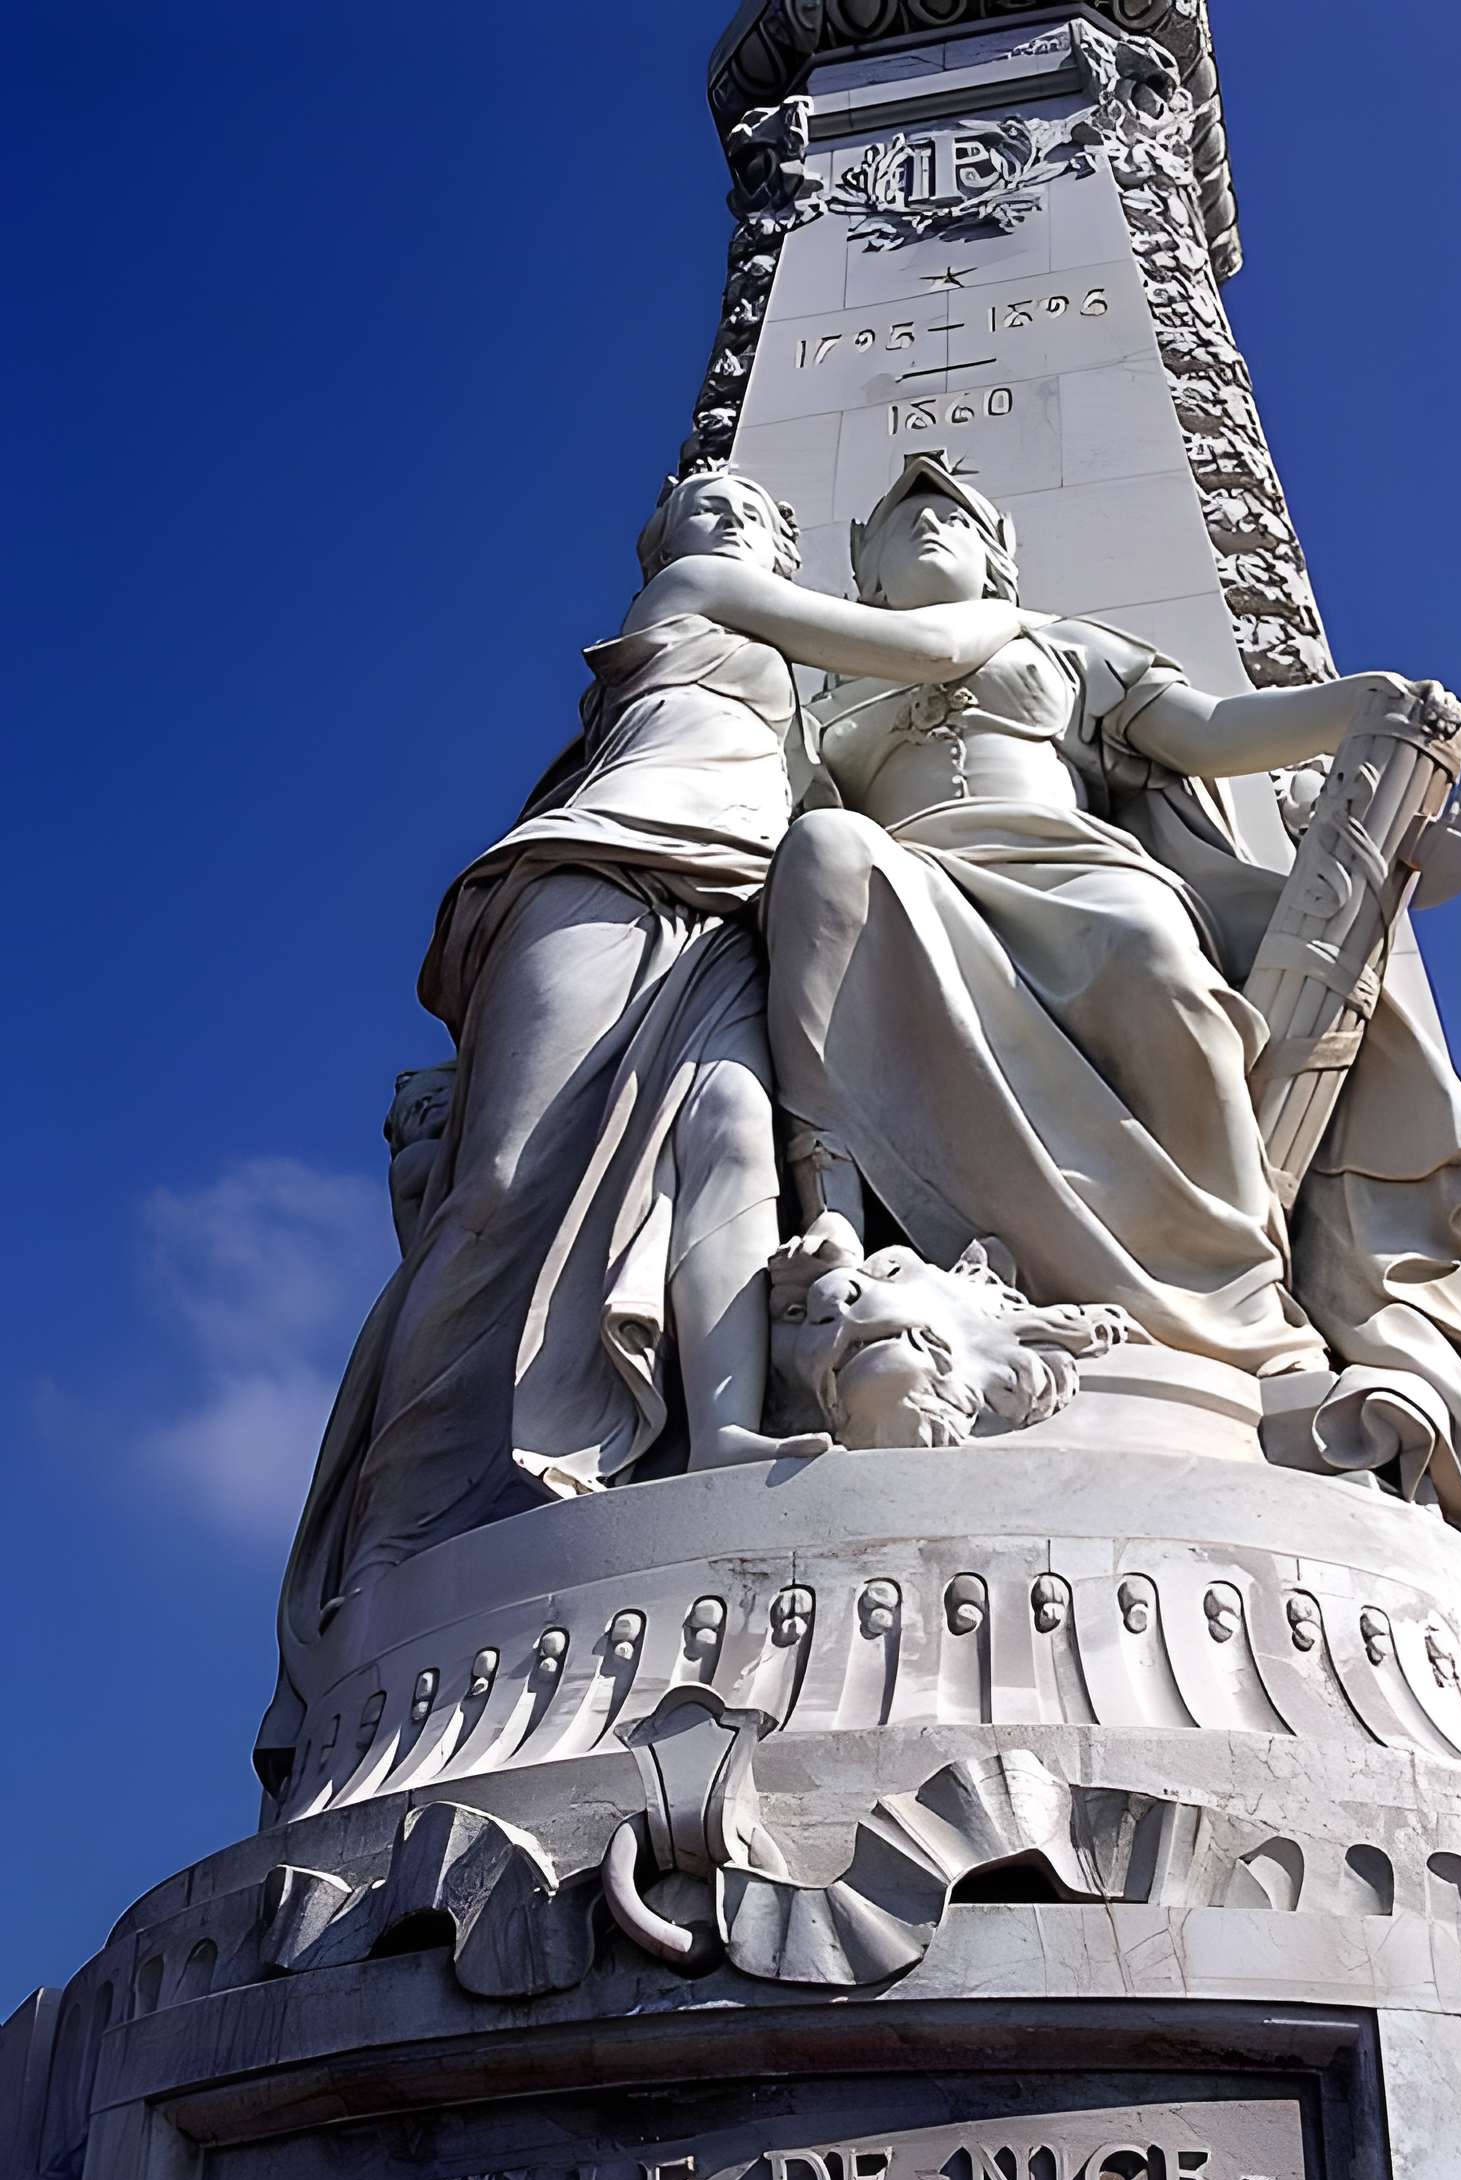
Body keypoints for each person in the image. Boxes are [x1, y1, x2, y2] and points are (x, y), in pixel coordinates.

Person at [278, 467, 1039, 1644]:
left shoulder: (802, 713)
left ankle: (727, 1423)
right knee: (494, 1189)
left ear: (786, 546)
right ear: (661, 549)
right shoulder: (699, 592)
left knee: (733, 1142)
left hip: (736, 912)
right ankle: (398, 1524)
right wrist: (1019, 618)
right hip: (610, 871)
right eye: (705, 505)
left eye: (752, 510)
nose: (729, 519)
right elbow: (936, 648)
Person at [763, 455, 1461, 1573]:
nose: (930, 528)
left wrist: (1356, 706)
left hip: (1070, 868)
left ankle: (1233, 1295)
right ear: (866, 575)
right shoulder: (824, 685)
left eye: (953, 517)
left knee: (1153, 965)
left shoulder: (1057, 644)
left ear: (999, 554)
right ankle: (833, 1214)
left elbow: (1215, 731)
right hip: (912, 879)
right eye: (905, 523)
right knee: (823, 854)